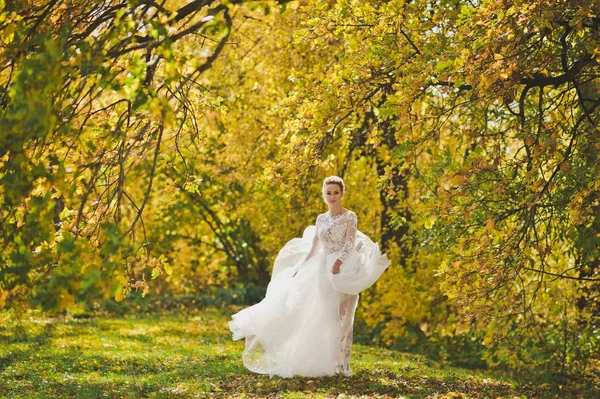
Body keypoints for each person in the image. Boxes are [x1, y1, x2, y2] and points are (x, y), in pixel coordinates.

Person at [228, 175, 390, 377]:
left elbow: (349, 243)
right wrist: (300, 266)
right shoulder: (321, 219)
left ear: (342, 194)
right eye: (328, 193)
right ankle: (328, 362)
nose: (332, 197)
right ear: (324, 194)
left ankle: (343, 364)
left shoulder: (350, 216)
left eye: (336, 193)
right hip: (323, 268)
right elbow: (315, 246)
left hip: (344, 268)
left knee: (345, 317)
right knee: (327, 316)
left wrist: (338, 263)